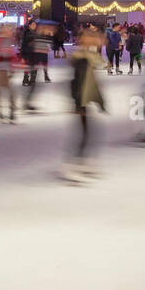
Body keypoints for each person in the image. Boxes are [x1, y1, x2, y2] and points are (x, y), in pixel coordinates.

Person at [61, 26, 107, 180]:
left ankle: (82, 163)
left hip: (84, 101)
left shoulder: (88, 56)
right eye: (94, 38)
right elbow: (76, 82)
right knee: (85, 134)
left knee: (88, 133)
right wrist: (77, 104)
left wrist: (100, 102)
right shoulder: (82, 58)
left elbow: (92, 83)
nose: (99, 41)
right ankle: (71, 166)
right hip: (80, 101)